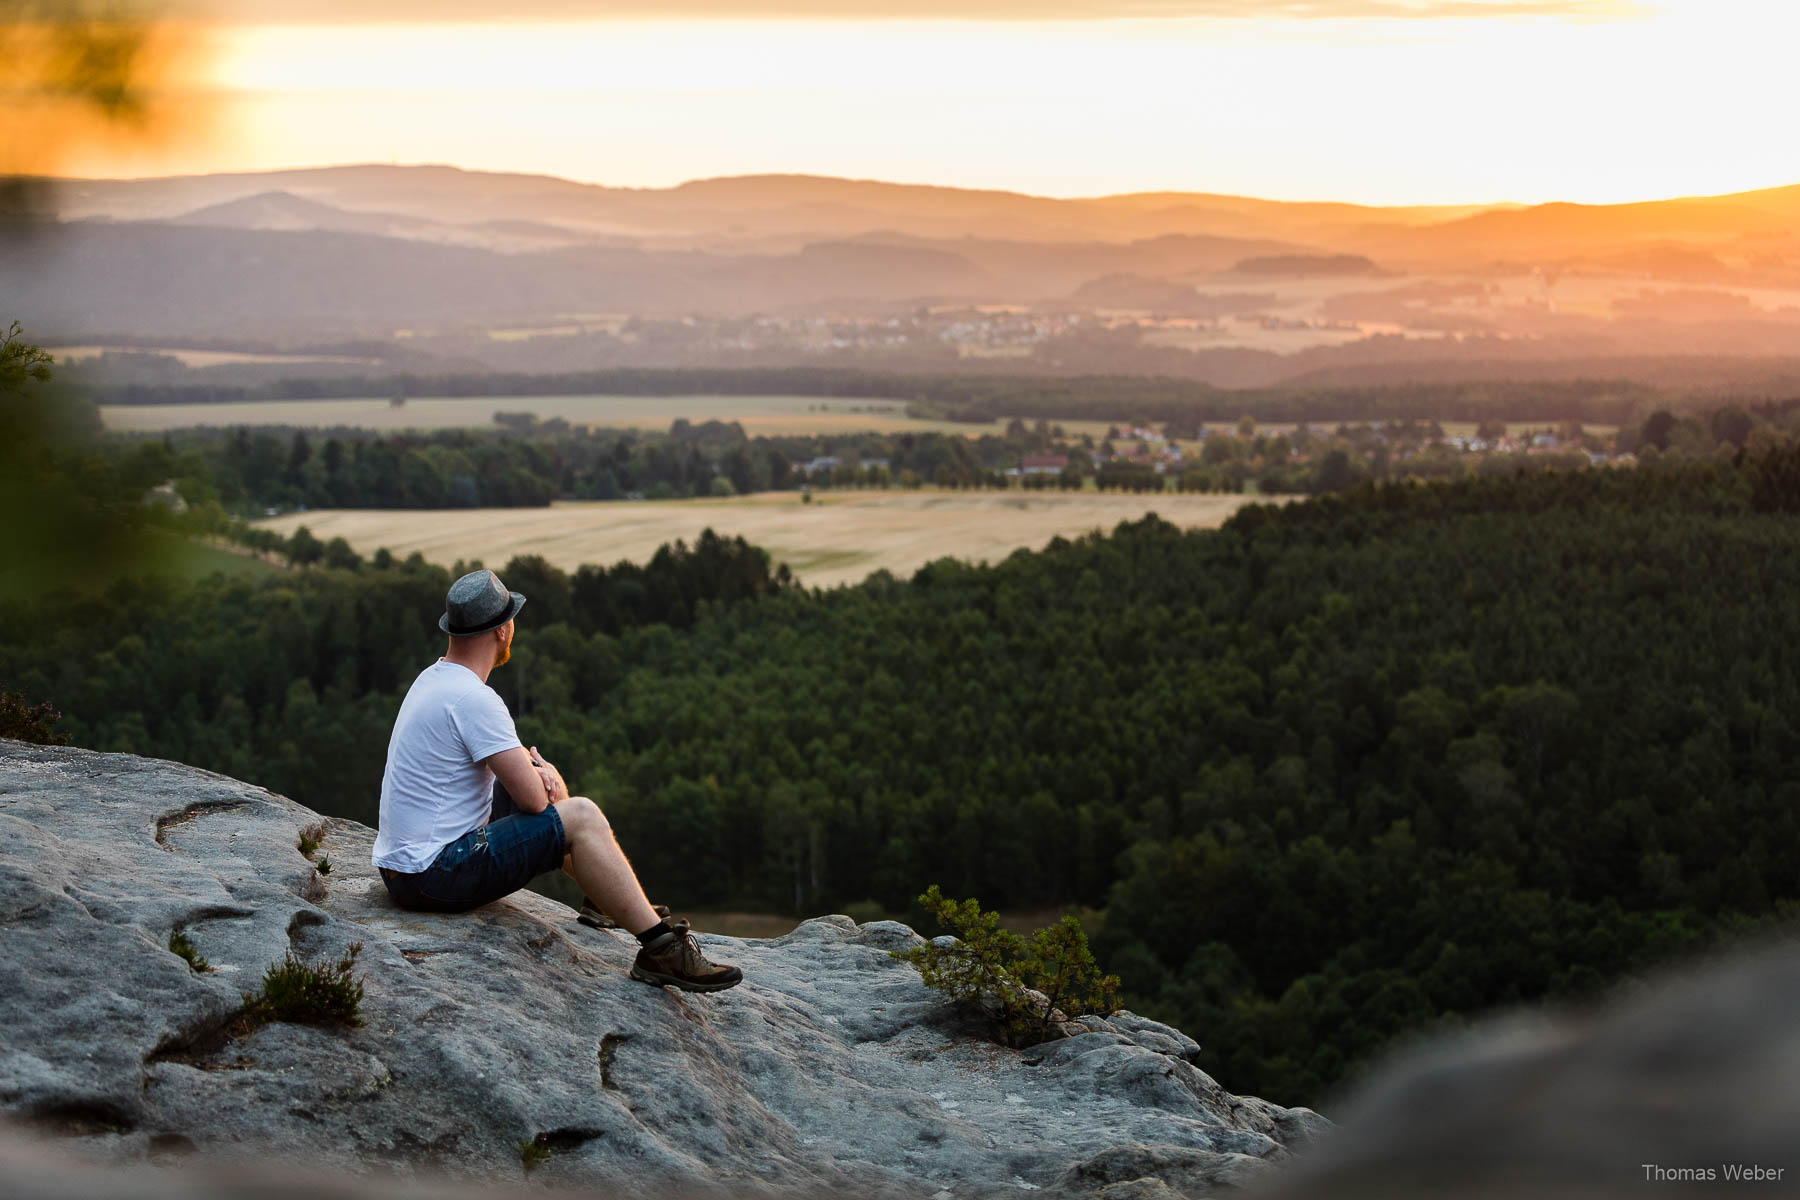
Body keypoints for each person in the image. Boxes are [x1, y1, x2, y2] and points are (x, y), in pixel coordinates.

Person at [371, 568, 742, 993]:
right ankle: (661, 951)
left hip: (403, 871)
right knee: (579, 814)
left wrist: (536, 778)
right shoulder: (474, 699)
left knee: (543, 789)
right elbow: (531, 802)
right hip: (433, 875)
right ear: (504, 631)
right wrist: (546, 778)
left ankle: (606, 898)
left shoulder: (433, 679)